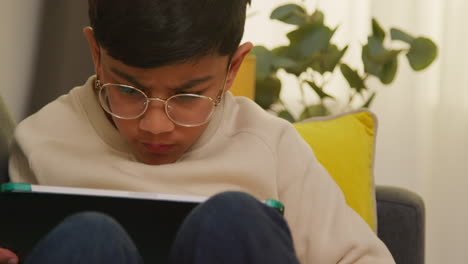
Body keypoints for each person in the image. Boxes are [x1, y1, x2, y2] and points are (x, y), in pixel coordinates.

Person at [4, 0, 395, 263]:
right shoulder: (42, 140)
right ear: (96, 55)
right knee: (88, 237)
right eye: (127, 90)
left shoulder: (271, 146)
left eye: (188, 95)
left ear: (233, 69)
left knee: (233, 216)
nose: (155, 125)